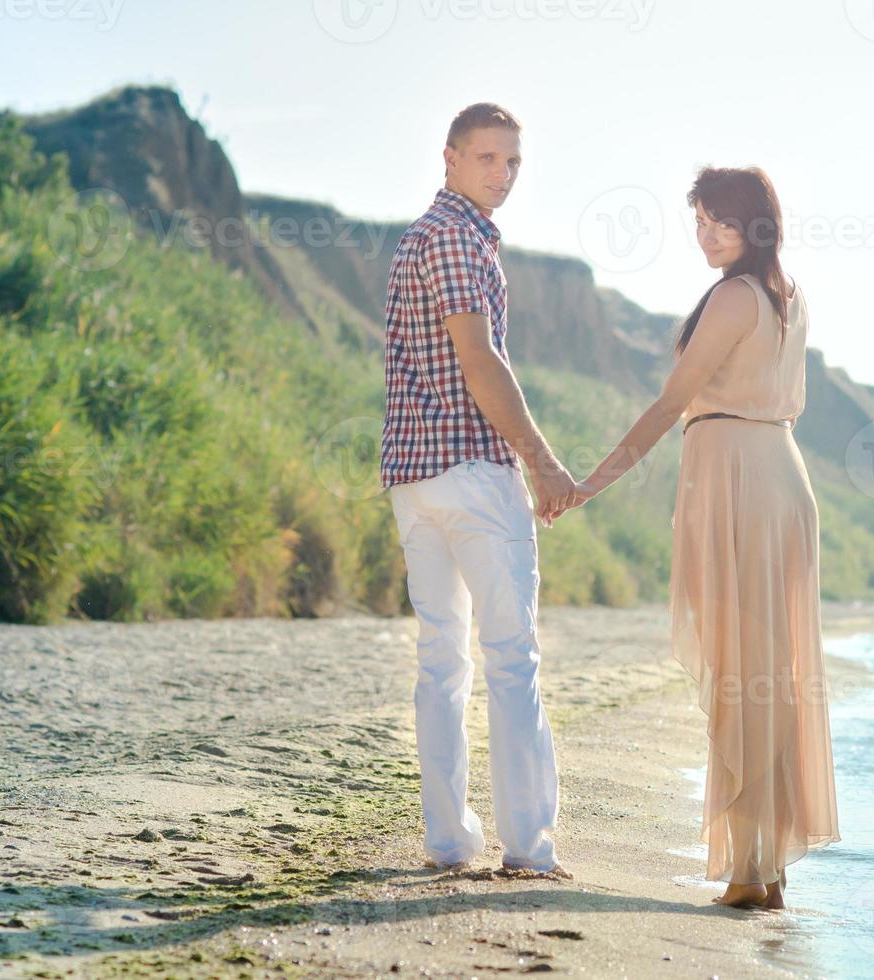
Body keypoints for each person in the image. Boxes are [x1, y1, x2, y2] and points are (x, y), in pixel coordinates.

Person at [554, 165, 840, 908]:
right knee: (767, 673)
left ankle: (751, 873)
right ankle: (764, 868)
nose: (706, 234)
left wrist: (591, 482)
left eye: (720, 220)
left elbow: (669, 404)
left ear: (756, 224)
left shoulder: (735, 296)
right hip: (776, 474)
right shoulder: (788, 296)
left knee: (742, 669)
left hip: (740, 481)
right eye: (701, 221)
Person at [379, 102, 574, 878]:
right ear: (451, 159)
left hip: (412, 479)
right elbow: (480, 360)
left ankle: (450, 841)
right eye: (488, 158)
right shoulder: (460, 238)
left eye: (514, 162)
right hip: (470, 473)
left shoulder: (415, 238)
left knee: (440, 660)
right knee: (510, 658)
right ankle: (528, 848)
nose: (503, 175)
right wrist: (542, 461)